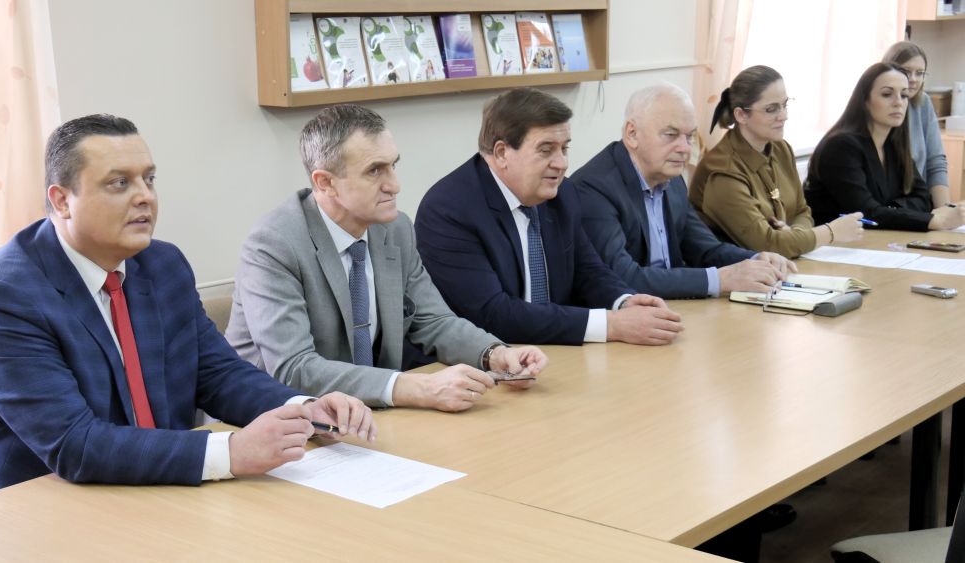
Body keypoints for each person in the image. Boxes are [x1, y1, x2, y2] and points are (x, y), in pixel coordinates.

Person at [0, 114, 376, 498]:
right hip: (35, 504)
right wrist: (231, 452)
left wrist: (303, 410)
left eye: (149, 179)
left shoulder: (161, 264)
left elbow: (217, 374)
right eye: (119, 183)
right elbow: (75, 444)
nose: (145, 197)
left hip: (155, 485)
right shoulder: (0, 297)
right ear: (61, 201)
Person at [226, 105, 547, 413]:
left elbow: (433, 321)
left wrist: (495, 354)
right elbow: (294, 369)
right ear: (325, 182)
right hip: (272, 423)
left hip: (365, 417)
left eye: (393, 165)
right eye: (374, 171)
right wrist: (415, 388)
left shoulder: (395, 229)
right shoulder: (274, 244)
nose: (395, 185)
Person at [415, 87, 683, 347]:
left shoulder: (562, 193)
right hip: (484, 361)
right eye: (546, 150)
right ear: (501, 153)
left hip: (553, 351)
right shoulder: (449, 210)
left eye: (564, 148)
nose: (562, 163)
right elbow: (492, 315)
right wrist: (611, 325)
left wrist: (623, 302)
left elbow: (587, 270)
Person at [572, 82, 796, 299]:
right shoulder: (595, 189)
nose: (685, 148)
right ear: (632, 134)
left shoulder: (672, 180)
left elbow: (705, 249)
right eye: (671, 135)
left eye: (689, 136)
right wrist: (719, 280)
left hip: (674, 307)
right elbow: (622, 277)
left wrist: (757, 259)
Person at [690, 66, 864, 258]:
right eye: (771, 109)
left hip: (782, 264)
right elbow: (767, 244)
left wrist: (794, 236)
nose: (784, 116)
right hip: (737, 270)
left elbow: (802, 211)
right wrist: (830, 232)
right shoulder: (723, 170)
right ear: (741, 115)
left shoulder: (781, 149)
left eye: (784, 105)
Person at [805, 63, 965, 231]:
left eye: (904, 95)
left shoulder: (893, 143)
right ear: (865, 101)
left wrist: (886, 211)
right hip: (837, 243)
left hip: (879, 238)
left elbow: (923, 199)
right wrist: (933, 221)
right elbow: (864, 213)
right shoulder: (841, 146)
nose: (898, 102)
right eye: (887, 94)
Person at [883, 41, 951, 208]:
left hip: (917, 204)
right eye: (906, 71)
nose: (913, 79)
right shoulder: (879, 106)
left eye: (919, 73)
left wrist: (944, 211)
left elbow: (936, 163)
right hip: (888, 207)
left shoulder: (923, 103)